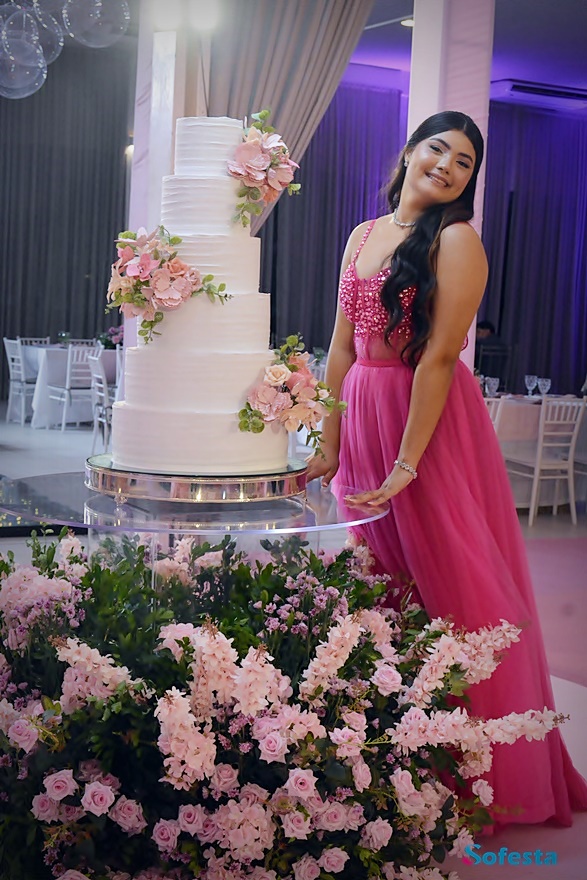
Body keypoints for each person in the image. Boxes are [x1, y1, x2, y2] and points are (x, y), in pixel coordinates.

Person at [307, 111, 587, 828]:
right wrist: (329, 440)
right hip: (363, 409)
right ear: (408, 152)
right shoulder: (362, 235)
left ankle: (485, 771)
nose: (448, 166)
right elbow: (339, 349)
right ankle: (401, 757)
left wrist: (409, 461)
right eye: (438, 149)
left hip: (425, 421)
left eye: (465, 161)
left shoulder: (457, 240)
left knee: (455, 579)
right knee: (383, 576)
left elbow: (437, 358)